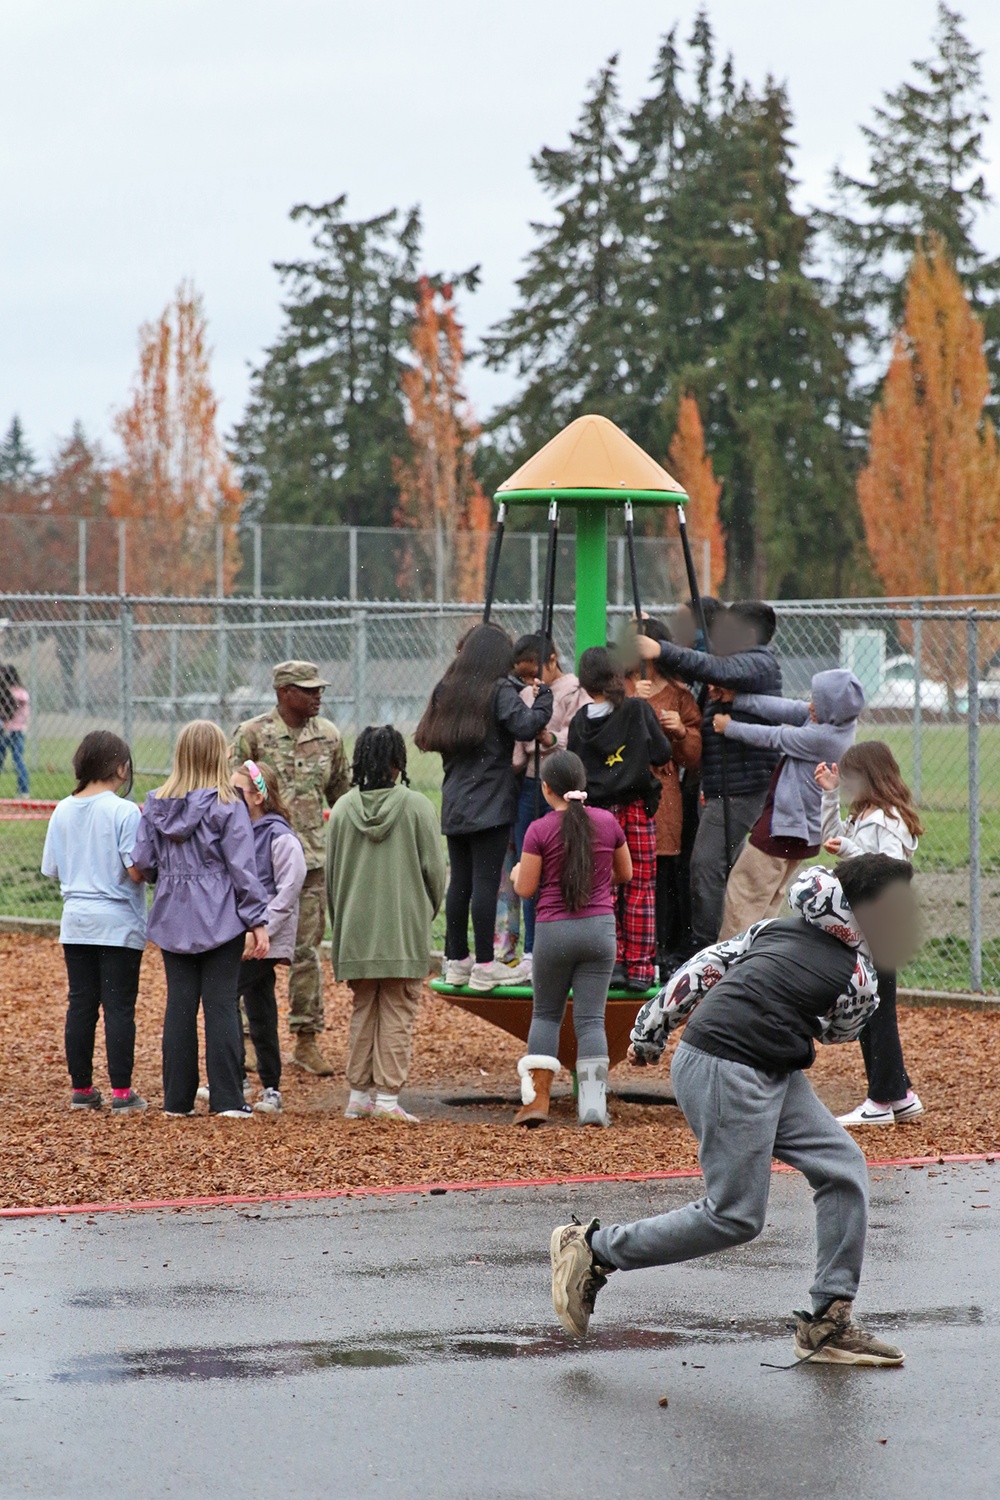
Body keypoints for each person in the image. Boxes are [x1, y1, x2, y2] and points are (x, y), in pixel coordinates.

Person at [549, 855, 921, 1367]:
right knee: (735, 1216)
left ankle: (828, 1322)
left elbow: (704, 966)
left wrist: (650, 1031)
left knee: (842, 1168)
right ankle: (595, 1249)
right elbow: (842, 1031)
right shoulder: (859, 974)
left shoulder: (775, 928)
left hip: (762, 1065)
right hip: (729, 1066)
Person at [131, 720, 270, 1119]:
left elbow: (144, 862)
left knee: (179, 1004)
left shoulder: (156, 803)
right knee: (221, 1003)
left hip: (174, 914)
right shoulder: (228, 804)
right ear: (217, 755)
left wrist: (170, 874)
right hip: (220, 916)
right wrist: (256, 919)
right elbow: (243, 867)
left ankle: (177, 1101)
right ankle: (228, 1100)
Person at [636, 601, 783, 951]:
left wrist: (660, 649)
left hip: (742, 787)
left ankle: (708, 950)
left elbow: (709, 665)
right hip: (718, 786)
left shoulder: (760, 663)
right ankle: (725, 945)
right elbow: (703, 671)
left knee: (705, 867)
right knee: (716, 868)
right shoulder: (729, 671)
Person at [415, 623, 553, 992]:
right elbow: (526, 727)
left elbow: (427, 735)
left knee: (459, 882)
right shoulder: (498, 690)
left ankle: (456, 959)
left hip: (455, 799)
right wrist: (543, 699)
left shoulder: (447, 690)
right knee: (485, 883)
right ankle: (486, 966)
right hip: (491, 799)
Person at [231, 660, 350, 1077]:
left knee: (305, 953)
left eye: (320, 689)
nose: (318, 695)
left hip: (310, 862)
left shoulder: (330, 738)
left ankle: (306, 1039)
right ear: (284, 693)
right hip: (257, 864)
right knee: (250, 952)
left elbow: (342, 794)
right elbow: (230, 796)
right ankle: (246, 1038)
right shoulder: (252, 735)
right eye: (308, 689)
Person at [326, 725, 447, 1122]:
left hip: (355, 930)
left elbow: (332, 878)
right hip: (402, 926)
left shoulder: (342, 809)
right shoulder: (416, 807)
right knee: (397, 1009)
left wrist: (342, 924)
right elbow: (435, 873)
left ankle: (359, 1095)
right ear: (398, 763)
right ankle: (387, 1100)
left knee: (364, 1008)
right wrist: (423, 912)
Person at [510, 751, 632, 1128]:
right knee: (592, 1019)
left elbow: (527, 888)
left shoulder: (539, 830)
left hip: (553, 933)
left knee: (546, 1014)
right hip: (598, 931)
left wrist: (516, 873)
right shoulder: (607, 822)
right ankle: (593, 1107)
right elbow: (624, 873)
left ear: (546, 789)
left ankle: (537, 1102)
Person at [817, 742, 924, 1127]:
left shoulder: (886, 820)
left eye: (849, 779)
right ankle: (900, 1095)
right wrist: (829, 794)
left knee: (875, 1011)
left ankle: (880, 1100)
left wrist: (850, 848)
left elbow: (892, 869)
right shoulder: (867, 814)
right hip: (868, 921)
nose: (846, 785)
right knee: (873, 1008)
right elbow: (834, 839)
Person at [713, 668, 865, 939]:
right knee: (768, 896)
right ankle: (757, 962)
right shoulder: (836, 721)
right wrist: (736, 699)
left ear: (830, 708)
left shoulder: (824, 738)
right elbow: (786, 708)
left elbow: (774, 737)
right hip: (800, 829)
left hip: (787, 827)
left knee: (745, 892)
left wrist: (729, 727)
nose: (809, 705)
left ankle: (728, 965)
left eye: (817, 702)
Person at [40, 731, 147, 1114]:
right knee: (119, 1006)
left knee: (81, 1004)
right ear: (119, 766)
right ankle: (122, 1093)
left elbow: (51, 868)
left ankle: (82, 1089)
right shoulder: (123, 811)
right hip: (118, 922)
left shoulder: (62, 809)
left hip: (76, 921)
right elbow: (135, 871)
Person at [567, 647, 672, 992]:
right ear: (617, 675)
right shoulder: (637, 710)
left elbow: (575, 769)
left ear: (584, 683)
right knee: (640, 886)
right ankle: (640, 967)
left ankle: (610, 963)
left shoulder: (581, 722)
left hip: (597, 814)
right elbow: (661, 752)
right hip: (636, 811)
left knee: (605, 888)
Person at [229, 758, 307, 1116]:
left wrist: (260, 931)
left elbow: (288, 893)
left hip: (264, 941)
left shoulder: (280, 838)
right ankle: (269, 1085)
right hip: (242, 936)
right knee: (259, 1007)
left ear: (258, 796)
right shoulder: (236, 830)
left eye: (237, 791)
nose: (230, 798)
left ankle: (235, 1079)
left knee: (226, 997)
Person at [626, 621, 702, 971]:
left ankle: (661, 948)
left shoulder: (678, 695)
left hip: (664, 794)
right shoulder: (619, 688)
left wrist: (681, 732)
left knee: (663, 870)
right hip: (624, 787)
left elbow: (693, 755)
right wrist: (630, 704)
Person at [511, 634, 589, 975]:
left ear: (553, 660)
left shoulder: (575, 692)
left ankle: (559, 944)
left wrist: (551, 739)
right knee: (528, 864)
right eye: (524, 677)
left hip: (560, 787)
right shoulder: (526, 694)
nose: (530, 682)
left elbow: (578, 735)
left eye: (534, 673)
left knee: (562, 863)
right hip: (530, 783)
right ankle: (531, 949)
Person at [0, 664, 30, 796]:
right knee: (18, 759)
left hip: (8, 729)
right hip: (18, 730)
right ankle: (24, 790)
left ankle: (23, 790)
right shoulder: (22, 691)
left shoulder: (9, 693)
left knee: (12, 759)